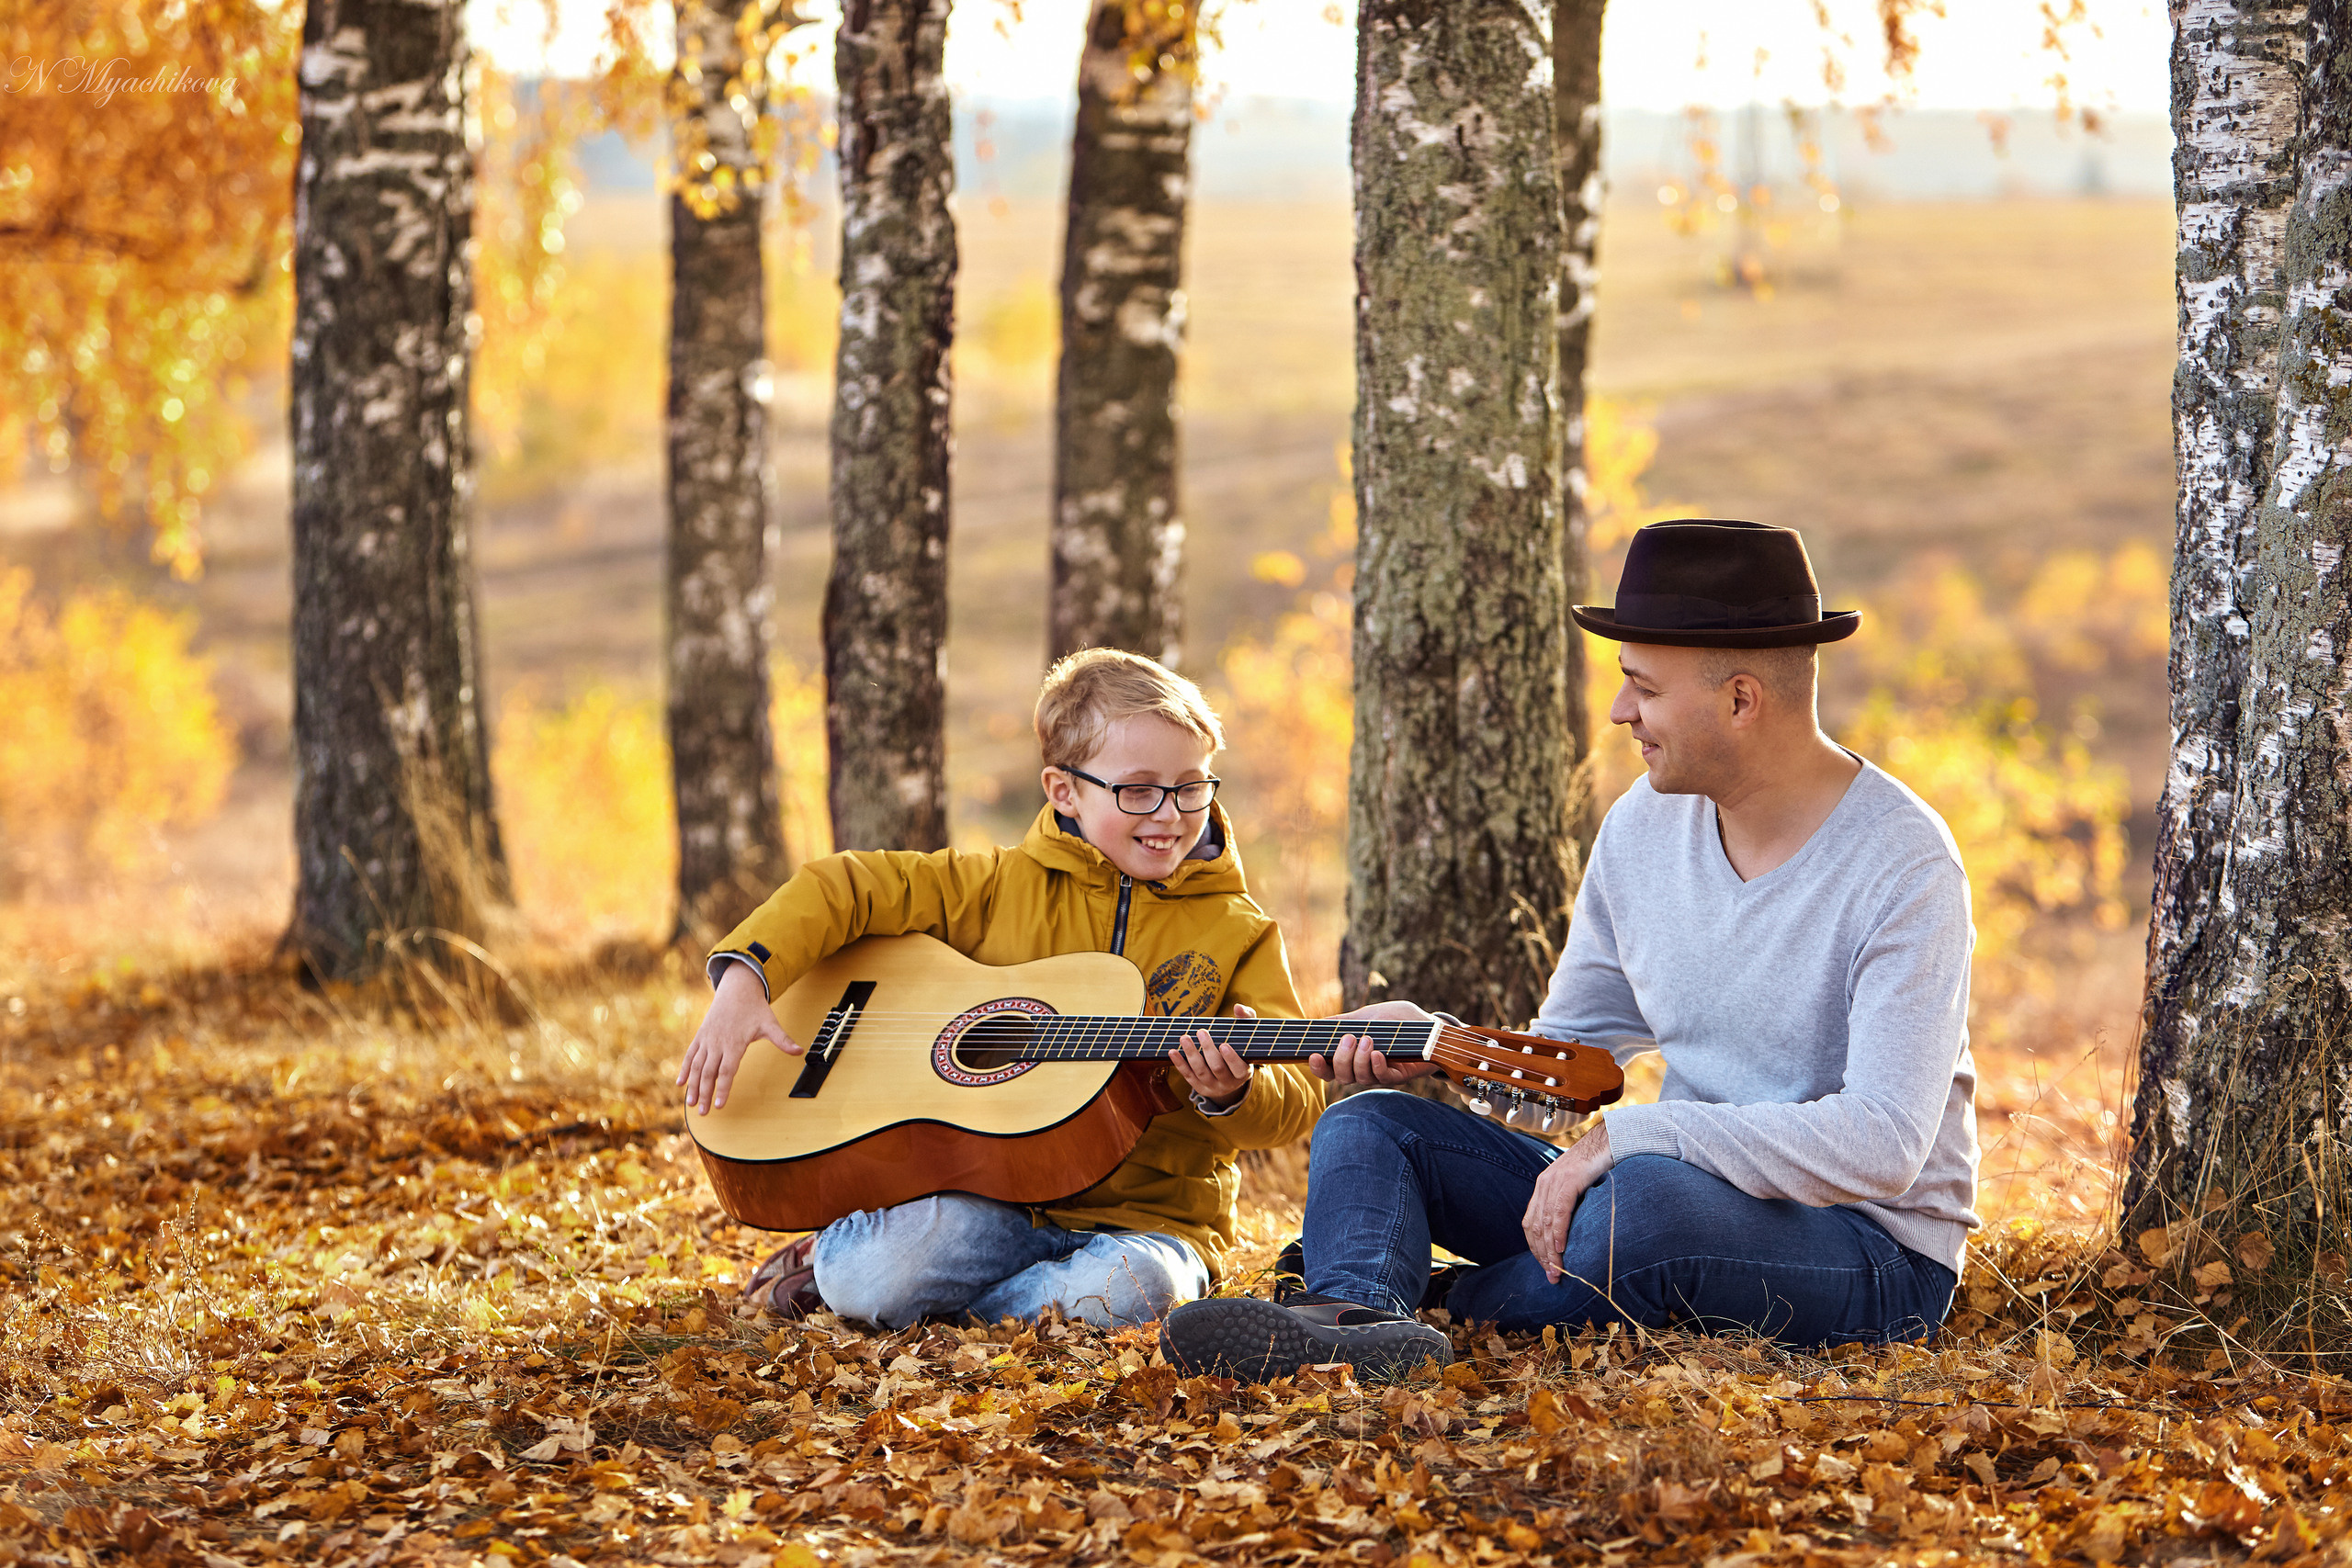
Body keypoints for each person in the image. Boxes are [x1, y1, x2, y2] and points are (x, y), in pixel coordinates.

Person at [1160, 519, 1980, 1382]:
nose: (1621, 711)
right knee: (1372, 1126)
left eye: (1643, 688)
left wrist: (1631, 1137)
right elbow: (1565, 1061)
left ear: (1742, 699)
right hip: (1661, 1186)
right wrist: (1439, 1046)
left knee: (1644, 1209)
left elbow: (1884, 1142)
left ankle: (1438, 1302)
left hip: (1868, 1249)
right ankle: (1351, 1313)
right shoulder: (1642, 825)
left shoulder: (1903, 861)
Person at [676, 648, 1321, 1330]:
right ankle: (853, 1269)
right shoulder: (993, 887)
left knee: (1139, 1289)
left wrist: (1233, 1093)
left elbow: (1298, 1102)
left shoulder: (1239, 929)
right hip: (990, 1202)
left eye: (1191, 787)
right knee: (872, 1272)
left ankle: (948, 1313)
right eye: (1138, 790)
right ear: (1064, 790)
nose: (1169, 813)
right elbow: (842, 886)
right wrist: (747, 977)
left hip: (1151, 1222)